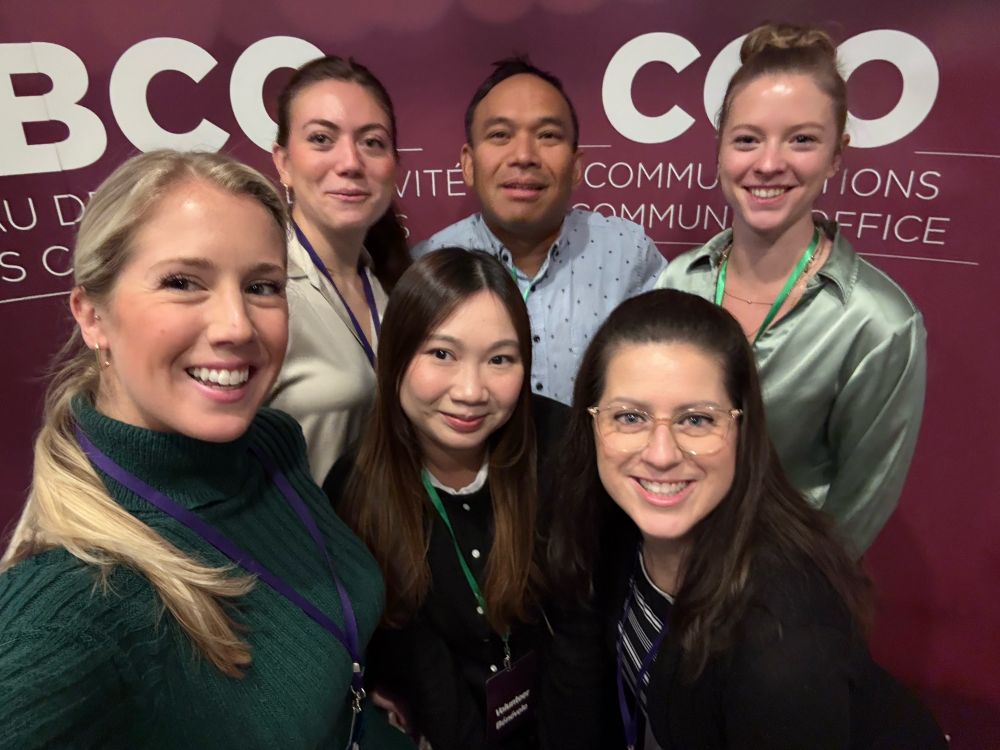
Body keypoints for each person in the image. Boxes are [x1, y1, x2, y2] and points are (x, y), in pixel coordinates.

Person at [0, 150, 413, 750]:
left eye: (262, 286)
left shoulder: (271, 444)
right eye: (183, 282)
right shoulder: (68, 609)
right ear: (93, 315)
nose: (237, 326)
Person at [548, 289, 946, 750]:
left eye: (696, 420)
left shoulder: (781, 643)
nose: (660, 455)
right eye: (630, 416)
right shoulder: (612, 528)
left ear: (742, 427)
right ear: (592, 423)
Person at [656, 23, 926, 555]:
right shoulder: (677, 281)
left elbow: (858, 509)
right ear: (719, 153)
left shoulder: (879, 324)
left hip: (783, 600)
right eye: (747, 139)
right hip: (664, 568)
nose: (770, 163)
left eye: (802, 139)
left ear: (836, 156)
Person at [325, 248, 604, 750]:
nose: (472, 391)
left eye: (500, 359)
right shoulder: (356, 490)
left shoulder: (563, 448)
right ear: (395, 357)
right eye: (441, 354)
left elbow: (579, 635)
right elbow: (418, 658)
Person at [413, 56, 667, 405]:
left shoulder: (628, 255)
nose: (524, 155)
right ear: (468, 164)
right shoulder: (428, 264)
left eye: (547, 135)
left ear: (576, 166)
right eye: (500, 135)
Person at [270, 55, 410, 484]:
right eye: (321, 139)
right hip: (296, 545)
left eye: (372, 142)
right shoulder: (261, 291)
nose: (350, 161)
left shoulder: (393, 281)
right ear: (284, 163)